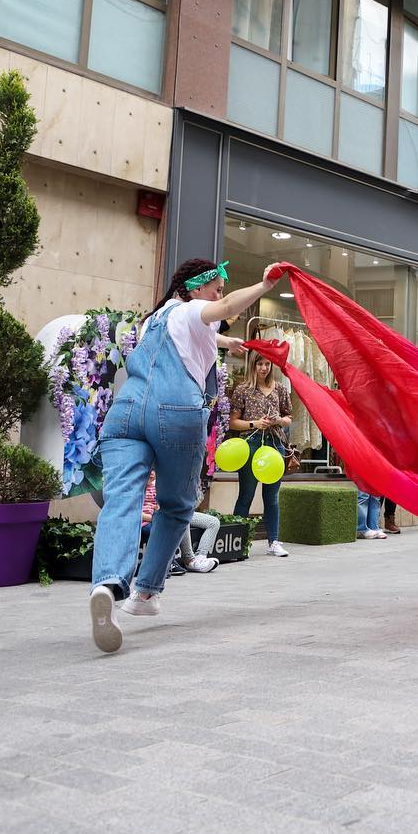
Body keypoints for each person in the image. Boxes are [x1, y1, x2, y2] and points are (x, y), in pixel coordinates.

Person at [88, 258, 277, 654]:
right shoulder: (194, 309)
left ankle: (107, 583)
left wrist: (229, 343)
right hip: (175, 413)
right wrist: (263, 286)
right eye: (217, 287)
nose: (220, 295)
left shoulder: (154, 319)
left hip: (125, 412)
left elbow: (200, 331)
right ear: (194, 288)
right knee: (176, 506)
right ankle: (144, 593)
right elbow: (221, 313)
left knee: (121, 500)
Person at [230, 355, 293, 557]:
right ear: (253, 365)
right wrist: (254, 423)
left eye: (267, 364)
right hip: (251, 443)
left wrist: (279, 421)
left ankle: (274, 541)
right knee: (246, 494)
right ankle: (237, 543)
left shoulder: (280, 389)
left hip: (275, 444)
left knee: (272, 497)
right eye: (260, 364)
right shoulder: (243, 389)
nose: (264, 368)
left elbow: (289, 417)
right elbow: (233, 422)